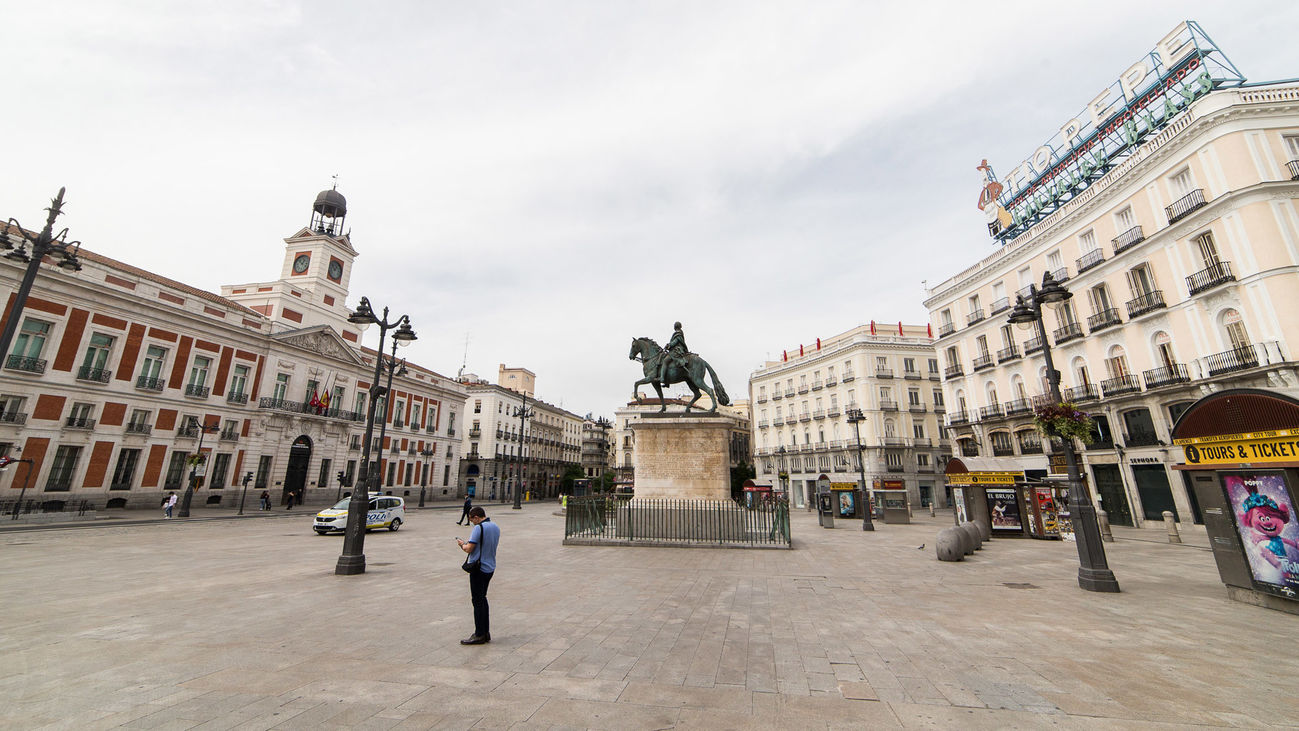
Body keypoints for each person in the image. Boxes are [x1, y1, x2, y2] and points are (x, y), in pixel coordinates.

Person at [455, 506, 500, 645]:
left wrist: (462, 545)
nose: (472, 523)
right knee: (482, 598)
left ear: (476, 517)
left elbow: (470, 548)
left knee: (477, 601)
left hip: (478, 568)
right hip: (490, 567)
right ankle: (485, 632)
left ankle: (479, 634)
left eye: (472, 520)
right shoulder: (495, 526)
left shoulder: (479, 528)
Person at [656, 321, 688, 385]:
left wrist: (669, 345)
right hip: (676, 350)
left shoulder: (678, 333)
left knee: (665, 361)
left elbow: (675, 342)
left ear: (675, 326)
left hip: (676, 351)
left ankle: (662, 378)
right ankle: (667, 381)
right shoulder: (679, 333)